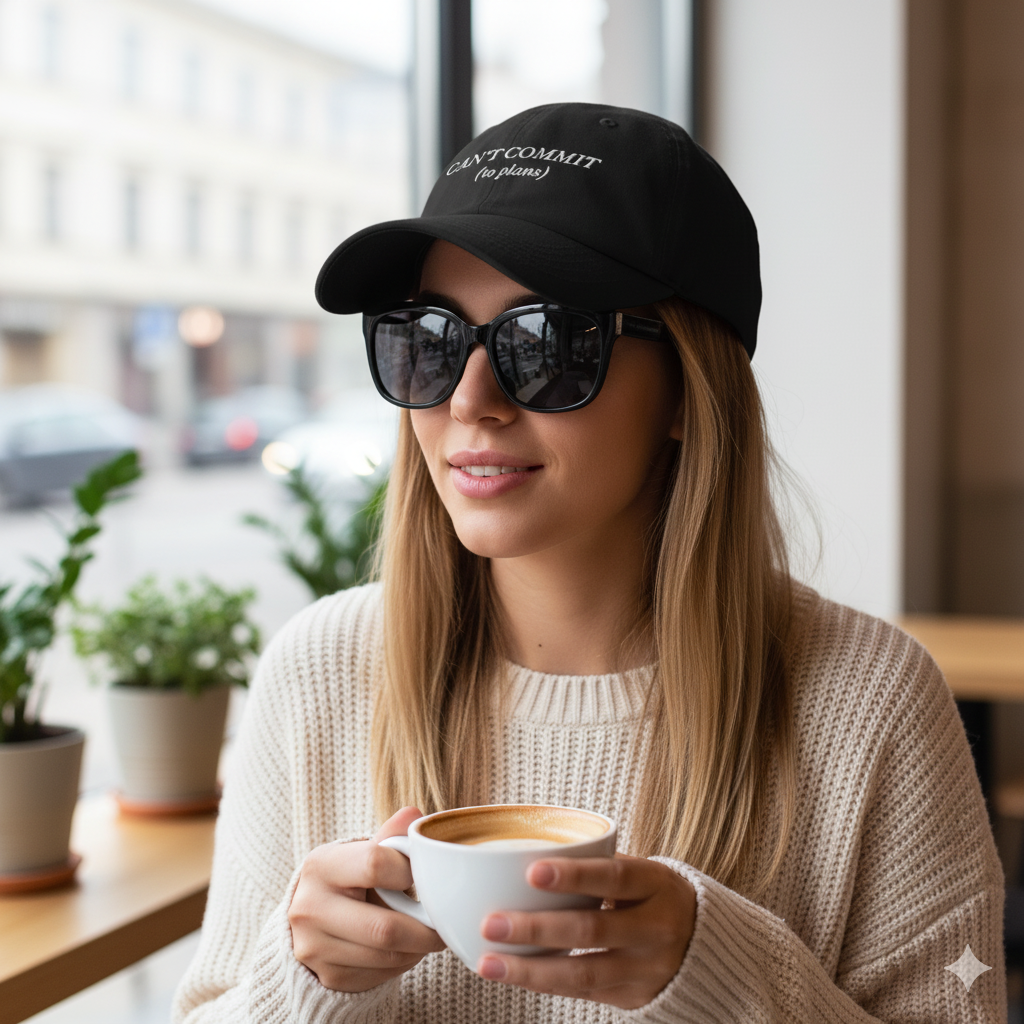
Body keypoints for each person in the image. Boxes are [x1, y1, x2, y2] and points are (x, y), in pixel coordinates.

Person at [172, 103, 1006, 1023]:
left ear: (690, 391)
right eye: (431, 341)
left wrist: (719, 975)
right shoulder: (319, 671)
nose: (473, 401)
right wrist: (302, 985)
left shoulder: (871, 704)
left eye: (547, 345)